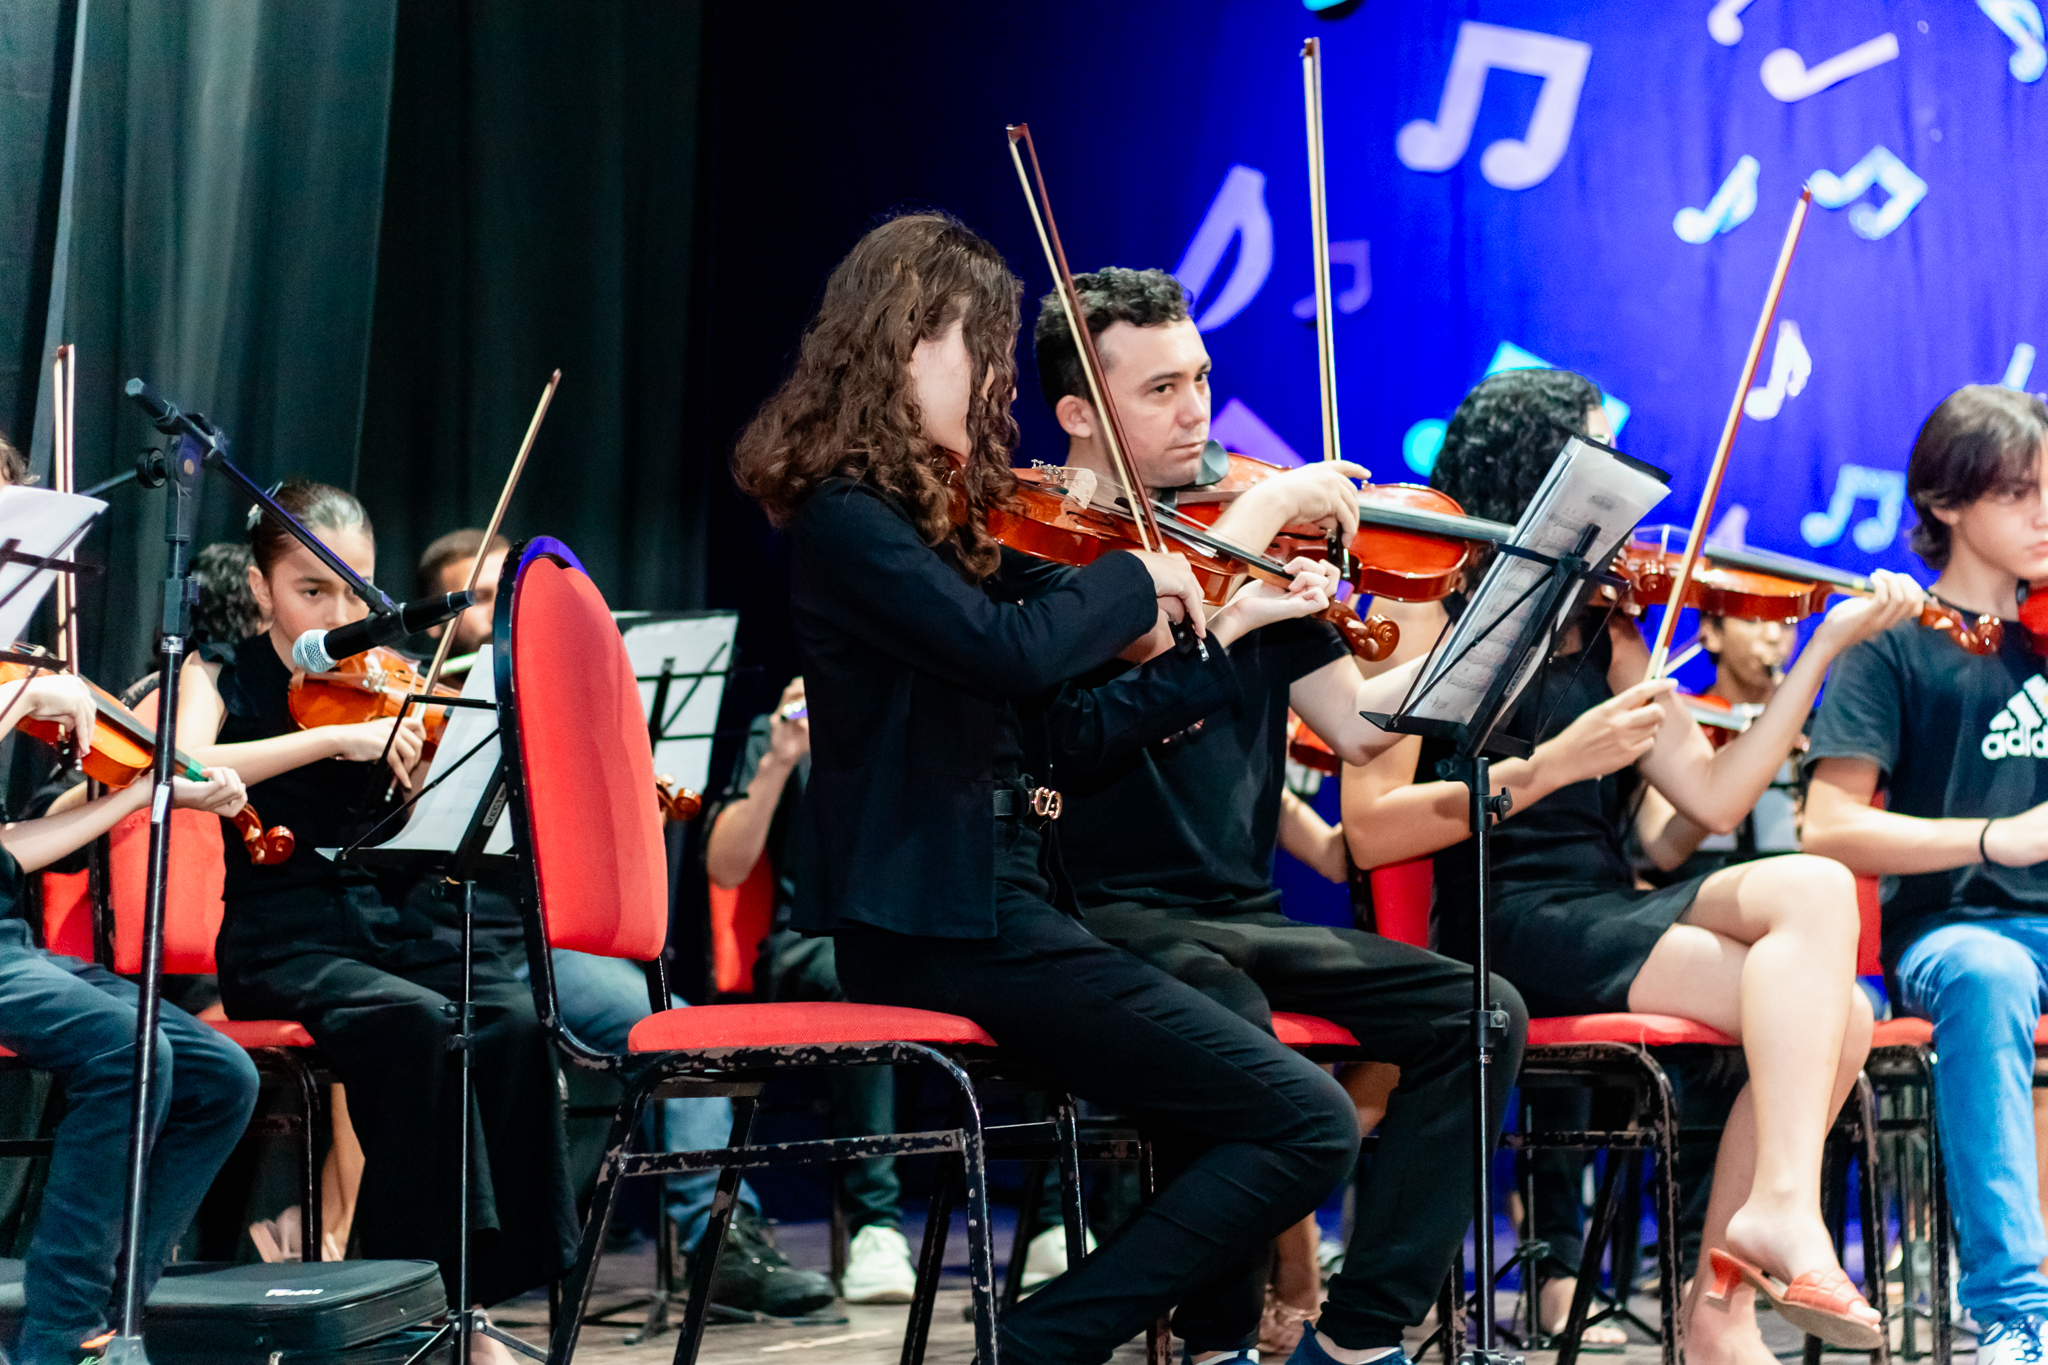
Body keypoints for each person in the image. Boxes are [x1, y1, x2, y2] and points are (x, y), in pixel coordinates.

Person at [733, 211, 1362, 1365]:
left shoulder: (934, 523)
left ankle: (1078, 1345)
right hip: (936, 922)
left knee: (1276, 1110)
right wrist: (1135, 572)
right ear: (906, 340)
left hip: (1002, 908)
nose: (993, 386)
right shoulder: (847, 519)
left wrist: (1224, 632)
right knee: (1301, 1117)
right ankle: (1034, 1350)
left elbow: (1069, 731)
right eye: (978, 350)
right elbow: (1011, 654)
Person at [1342, 367, 1916, 1364]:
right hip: (1505, 922)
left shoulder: (1605, 631)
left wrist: (1820, 651)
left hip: (1604, 903)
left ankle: (1768, 1226)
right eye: (1595, 459)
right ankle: (1724, 1307)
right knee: (1842, 1018)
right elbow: (1371, 831)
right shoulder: (1434, 608)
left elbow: (1714, 797)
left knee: (1821, 909)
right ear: (1539, 472)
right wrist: (1551, 765)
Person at [1030, 265, 1525, 1365]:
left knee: (1480, 1013)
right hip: (1100, 919)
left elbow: (1355, 727)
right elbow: (1145, 659)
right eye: (1160, 389)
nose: (1196, 411)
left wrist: (1487, 639)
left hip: (1240, 912)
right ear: (1077, 413)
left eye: (1201, 379)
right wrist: (1251, 535)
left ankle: (1359, 1335)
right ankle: (1216, 1344)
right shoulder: (1049, 555)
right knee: (1236, 1028)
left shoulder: (1245, 541)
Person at [175, 480, 578, 1358]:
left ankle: (479, 1296)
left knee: (514, 1018)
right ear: (261, 588)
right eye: (311, 590)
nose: (340, 613)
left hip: (389, 921)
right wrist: (332, 739)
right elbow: (184, 765)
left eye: (356, 591)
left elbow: (429, 828)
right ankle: (415, 1299)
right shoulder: (219, 671)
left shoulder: (388, 681)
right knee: (423, 1025)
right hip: (283, 937)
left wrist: (429, 779)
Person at [420, 530, 835, 1316]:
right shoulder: (428, 711)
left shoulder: (552, 704)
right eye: (479, 600)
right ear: (442, 617)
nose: (499, 614)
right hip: (455, 949)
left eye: (509, 595)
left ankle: (720, 1241)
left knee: (684, 1031)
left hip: (545, 948)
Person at [1801, 385, 2048, 1365]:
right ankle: (2015, 1310)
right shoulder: (1891, 646)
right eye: (2019, 493)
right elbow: (1827, 826)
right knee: (1988, 976)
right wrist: (1992, 839)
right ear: (1945, 502)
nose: (2044, 514)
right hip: (1955, 932)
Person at [0, 437, 258, 1365]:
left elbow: (11, 849)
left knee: (223, 1076)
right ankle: (57, 1338)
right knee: (128, 1047)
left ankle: (113, 1315)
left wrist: (148, 793)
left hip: (8, 943)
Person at [704, 674, 921, 1304]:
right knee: (858, 979)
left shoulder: (930, 705)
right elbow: (725, 868)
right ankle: (876, 1226)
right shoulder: (787, 722)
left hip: (920, 931)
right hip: (815, 939)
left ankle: (1053, 1223)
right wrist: (779, 761)